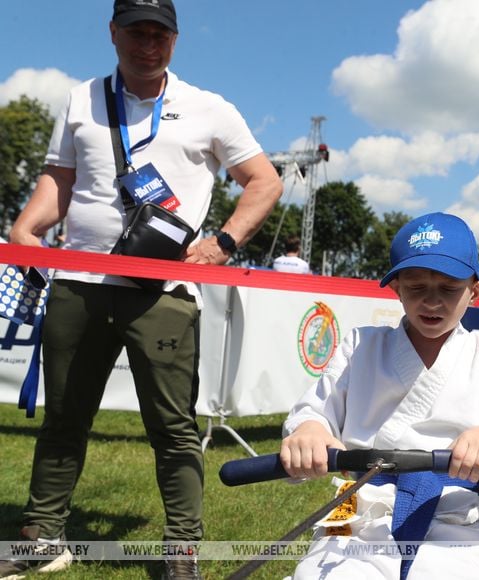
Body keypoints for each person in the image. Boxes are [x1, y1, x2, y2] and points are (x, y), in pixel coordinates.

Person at [0, 1, 283, 579]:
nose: (147, 43)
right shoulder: (82, 99)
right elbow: (63, 176)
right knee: (63, 419)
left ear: (175, 40)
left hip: (164, 289)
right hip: (79, 282)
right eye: (136, 31)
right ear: (113, 33)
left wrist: (223, 243)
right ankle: (42, 536)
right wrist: (29, 226)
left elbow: (264, 180)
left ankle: (181, 547)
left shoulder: (209, 108)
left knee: (173, 426)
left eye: (159, 33)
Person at [279, 212, 479, 579]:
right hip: (364, 511)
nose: (432, 302)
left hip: (456, 513)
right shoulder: (361, 346)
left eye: (449, 289)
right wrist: (310, 431)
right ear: (396, 288)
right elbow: (314, 411)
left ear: (475, 292)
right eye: (416, 288)